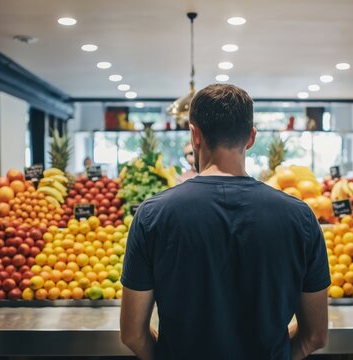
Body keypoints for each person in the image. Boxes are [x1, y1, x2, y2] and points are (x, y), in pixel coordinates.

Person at [120, 84, 330, 360]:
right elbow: (315, 335)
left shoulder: (151, 215)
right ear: (251, 138)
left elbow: (133, 334)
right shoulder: (301, 217)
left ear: (194, 136)